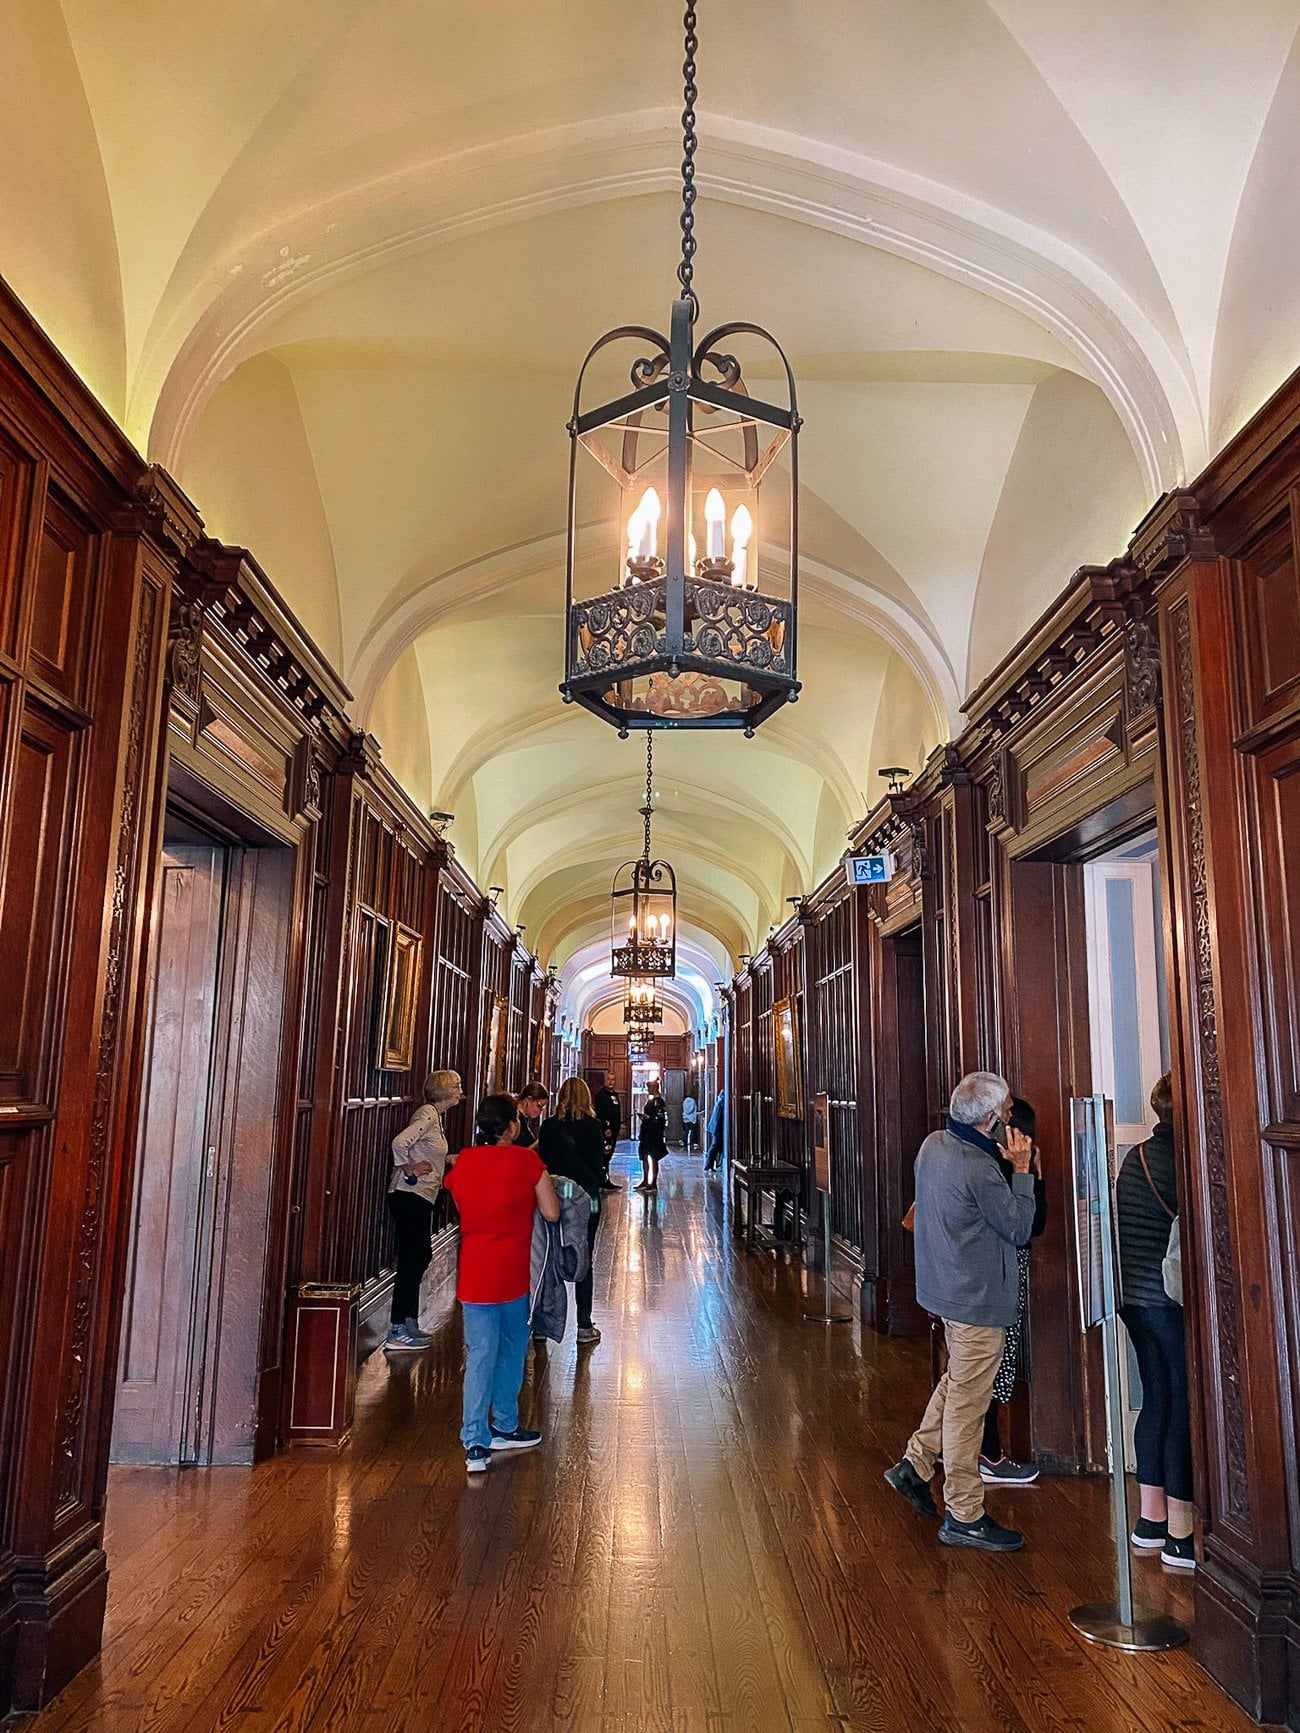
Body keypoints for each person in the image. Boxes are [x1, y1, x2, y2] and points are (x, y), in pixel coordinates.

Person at [884, 1071, 1037, 1552]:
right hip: (976, 1300)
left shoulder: (934, 1145)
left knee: (957, 1384)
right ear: (991, 1119)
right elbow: (1018, 1227)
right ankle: (965, 1514)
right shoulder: (978, 1165)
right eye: (1007, 1112)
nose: (1011, 1119)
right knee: (969, 1408)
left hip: (945, 1290)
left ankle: (915, 1463)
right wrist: (1024, 1171)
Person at [444, 1091, 559, 1473]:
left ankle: (474, 1442)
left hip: (475, 1273)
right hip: (513, 1274)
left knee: (479, 1354)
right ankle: (505, 1425)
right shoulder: (527, 1160)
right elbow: (552, 1212)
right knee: (511, 1350)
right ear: (513, 1125)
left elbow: (463, 1209)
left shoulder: (464, 1164)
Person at [1116, 1073, 1195, 1569]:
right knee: (1182, 1404)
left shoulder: (1136, 1157)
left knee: (1155, 1398)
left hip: (1132, 1298)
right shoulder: (1187, 1163)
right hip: (1168, 1301)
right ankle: (1182, 1534)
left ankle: (1150, 1521)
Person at [978, 1096, 1048, 1484]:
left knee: (980, 1364)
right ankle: (988, 1454)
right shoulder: (1000, 1171)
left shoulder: (984, 1163)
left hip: (979, 1274)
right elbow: (1029, 1228)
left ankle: (969, 1449)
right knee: (991, 1363)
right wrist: (1031, 1176)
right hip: (1001, 1272)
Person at [385, 1068, 463, 1352]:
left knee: (418, 1258)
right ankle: (397, 1329)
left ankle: (409, 1322)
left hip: (421, 1197)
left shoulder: (435, 1117)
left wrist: (447, 1159)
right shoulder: (428, 1114)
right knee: (412, 1259)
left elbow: (426, 1149)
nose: (459, 1090)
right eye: (456, 1086)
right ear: (443, 1090)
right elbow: (399, 1142)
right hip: (410, 1195)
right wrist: (408, 1166)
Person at [538, 1077, 607, 1345]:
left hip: (552, 1193)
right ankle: (584, 1325)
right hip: (586, 1196)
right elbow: (598, 1162)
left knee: (548, 1254)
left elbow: (543, 1160)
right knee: (583, 1254)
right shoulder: (593, 1126)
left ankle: (543, 1328)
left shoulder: (549, 1126)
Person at [592, 1076, 623, 1190]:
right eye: (609, 1079)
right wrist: (606, 1127)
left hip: (613, 1131)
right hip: (606, 1131)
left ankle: (605, 1178)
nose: (611, 1082)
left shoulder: (614, 1095)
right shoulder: (601, 1095)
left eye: (613, 1079)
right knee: (604, 1155)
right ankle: (602, 1180)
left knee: (608, 1156)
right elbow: (601, 1112)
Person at [637, 1083, 668, 1192]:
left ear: (654, 1088)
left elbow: (660, 1118)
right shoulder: (651, 1100)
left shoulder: (659, 1102)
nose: (647, 1089)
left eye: (649, 1087)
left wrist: (648, 1118)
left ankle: (653, 1183)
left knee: (653, 1157)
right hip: (646, 1132)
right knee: (645, 1156)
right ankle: (645, 1181)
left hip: (654, 1134)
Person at [514, 1081, 548, 1149]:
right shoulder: (515, 1118)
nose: (541, 1111)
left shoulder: (523, 1118)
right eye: (539, 1105)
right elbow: (521, 1151)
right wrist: (539, 1141)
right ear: (529, 1099)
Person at [704, 1090, 725, 1171]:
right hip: (718, 1128)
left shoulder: (720, 1101)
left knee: (716, 1146)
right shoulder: (722, 1102)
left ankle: (712, 1165)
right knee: (715, 1146)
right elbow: (718, 1117)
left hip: (716, 1128)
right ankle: (709, 1165)